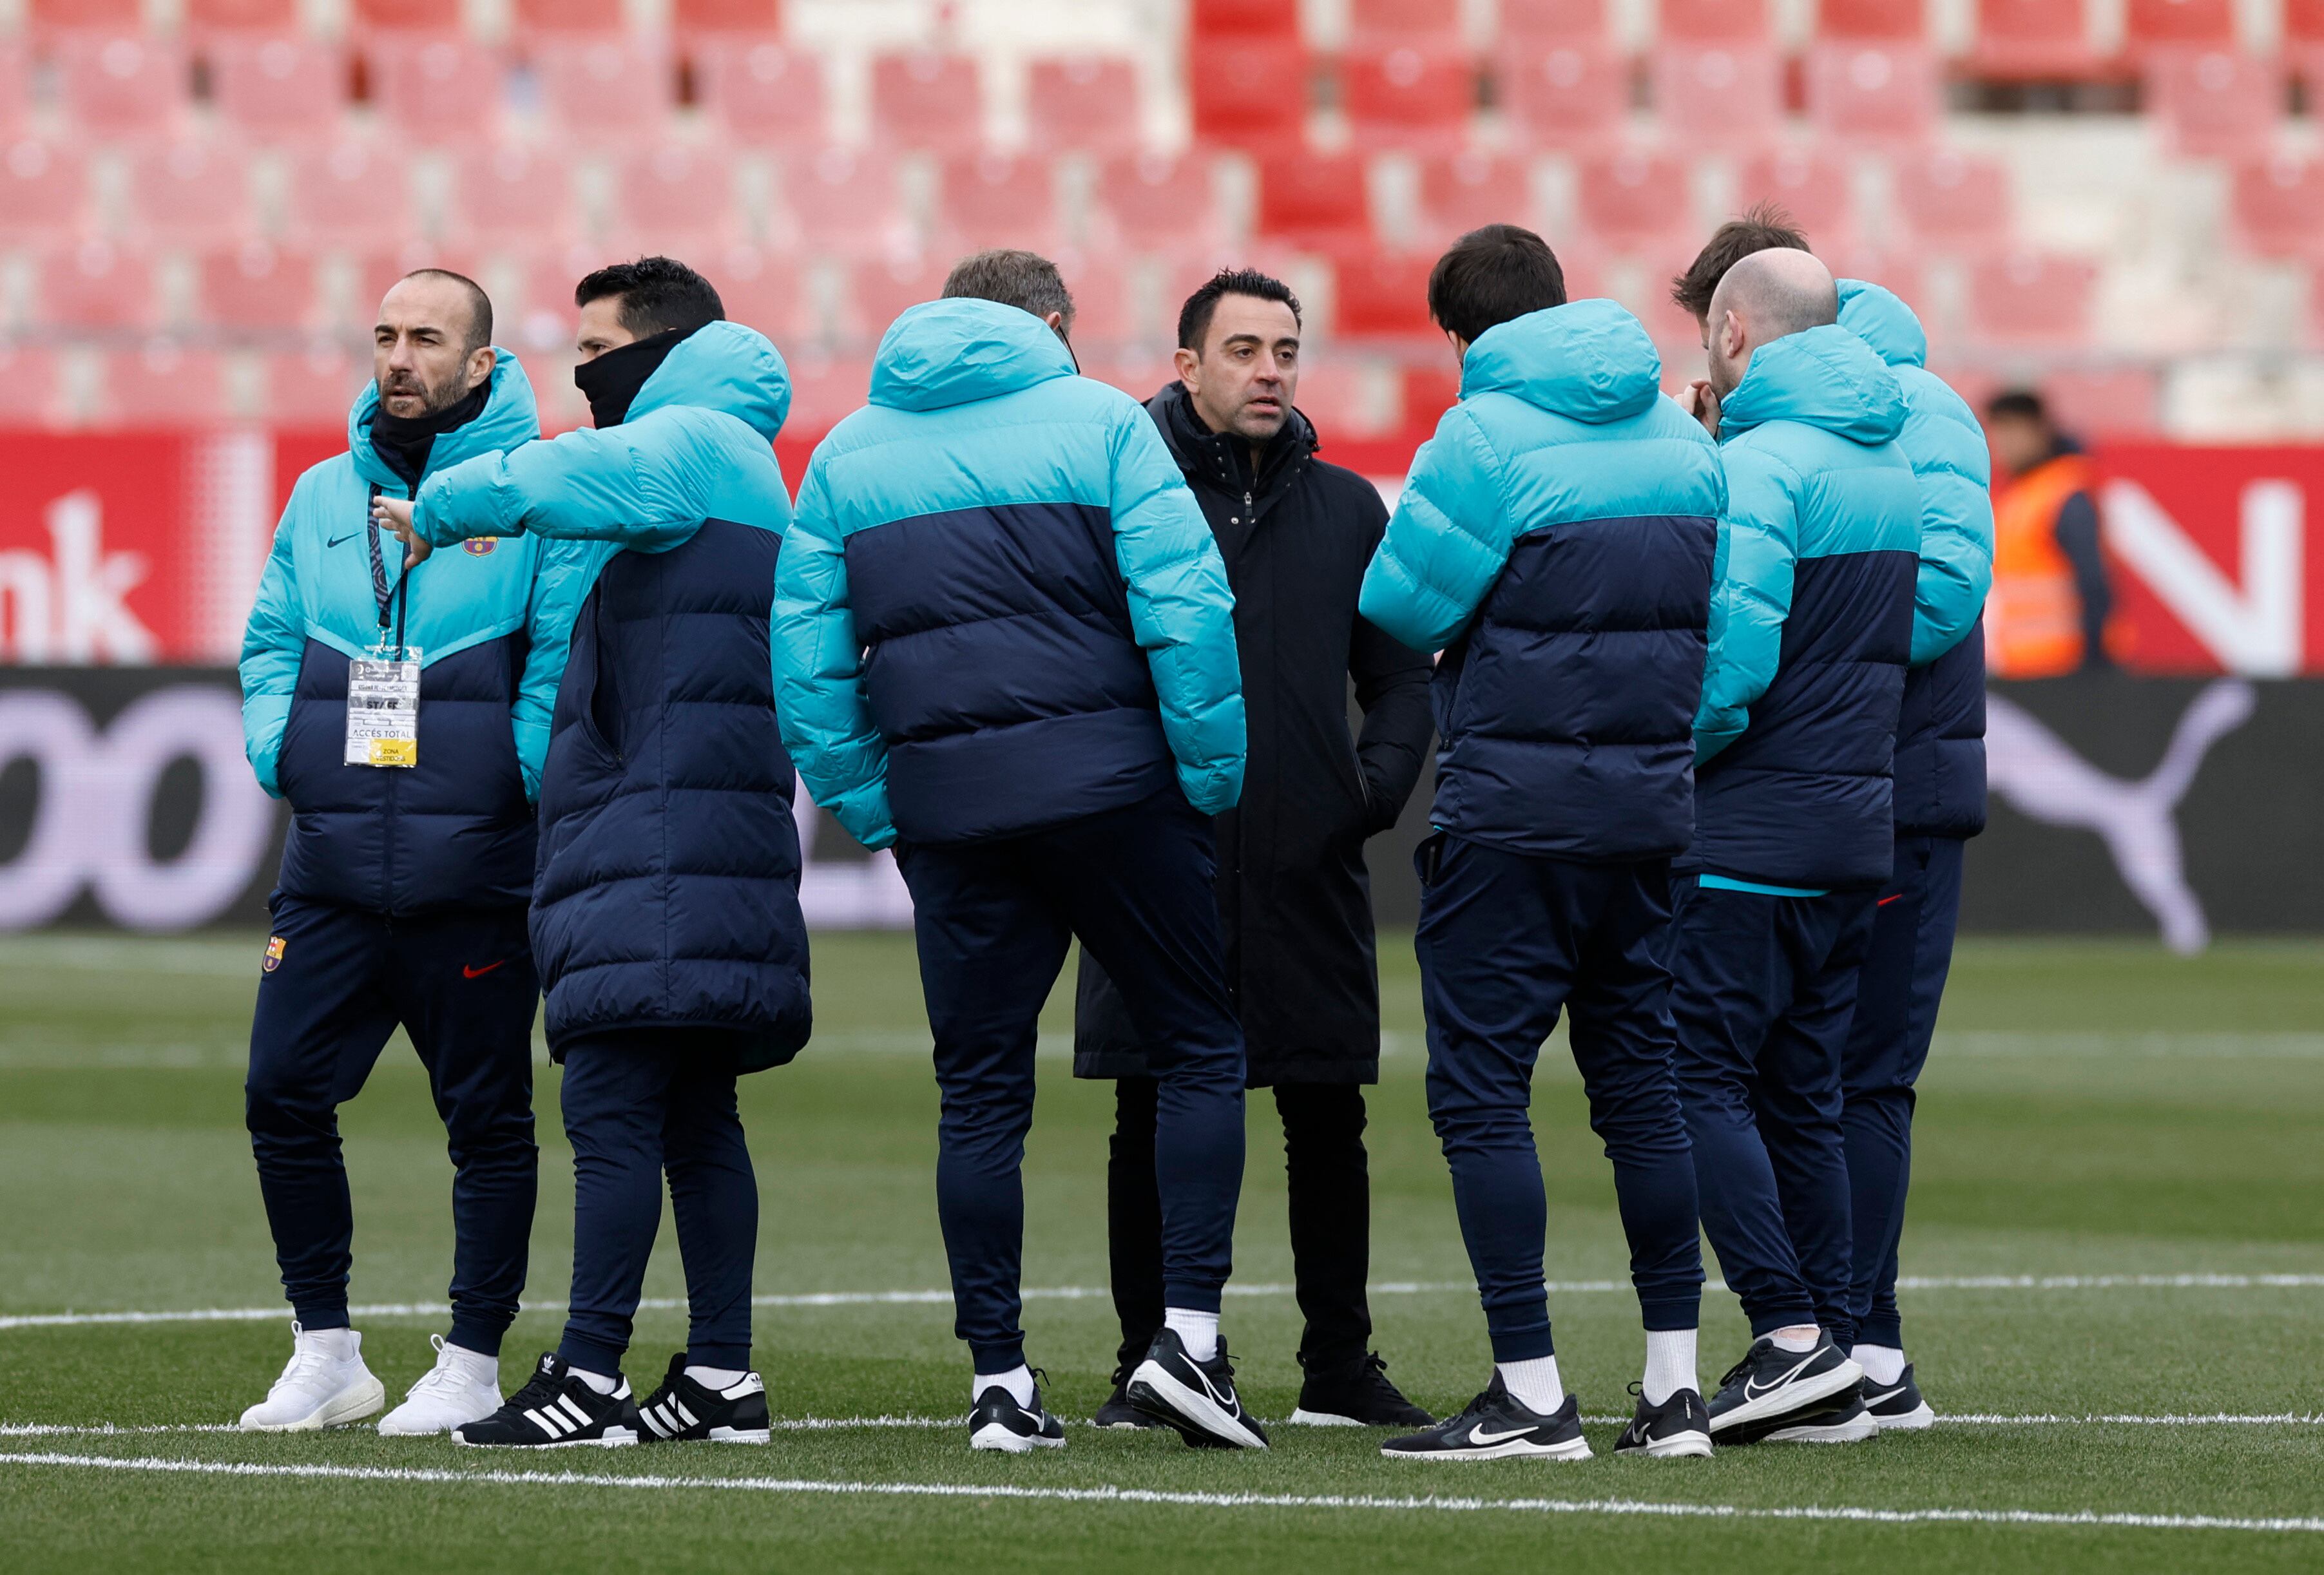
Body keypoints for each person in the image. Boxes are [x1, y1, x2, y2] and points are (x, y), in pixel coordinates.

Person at [772, 250, 1262, 1453]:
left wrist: (874, 805)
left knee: (979, 1098)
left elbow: (806, 662)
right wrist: (1207, 777)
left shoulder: (848, 453)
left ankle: (999, 1378)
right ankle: (1189, 1346)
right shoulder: (1100, 422)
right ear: (1051, 322)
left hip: (952, 812)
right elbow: (1185, 606)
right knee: (1198, 1048)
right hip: (1114, 798)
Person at [378, 256, 810, 1449]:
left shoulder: (689, 445)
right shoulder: (740, 462)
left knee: (615, 1102)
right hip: (700, 834)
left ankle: (589, 1372)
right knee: (695, 1115)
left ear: (658, 356)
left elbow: (574, 470)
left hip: (660, 839)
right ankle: (720, 1372)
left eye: (591, 349)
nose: (575, 375)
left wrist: (442, 510)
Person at [1356, 225, 1724, 1463]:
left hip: (1515, 814)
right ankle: (1674, 1395)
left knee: (1479, 1096)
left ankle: (1529, 1395)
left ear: (1460, 338)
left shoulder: (1481, 437)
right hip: (1653, 815)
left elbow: (1400, 609)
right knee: (1642, 1092)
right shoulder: (1684, 439)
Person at [1073, 269, 1436, 1432]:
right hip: (1155, 860)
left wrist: (1366, 794)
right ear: (1185, 367)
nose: (1270, 370)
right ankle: (1154, 1358)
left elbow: (1400, 679)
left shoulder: (1347, 511)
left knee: (1328, 1114)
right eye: (1242, 350)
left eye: (1285, 349)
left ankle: (1338, 1365)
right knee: (1147, 1109)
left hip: (1308, 863)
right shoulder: (1124, 499)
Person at [235, 271, 581, 1436]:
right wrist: (281, 751)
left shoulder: (535, 497)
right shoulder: (321, 494)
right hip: (331, 866)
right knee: (280, 1093)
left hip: (475, 872)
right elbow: (273, 636)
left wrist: (519, 777)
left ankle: (473, 1360)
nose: (399, 356)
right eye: (385, 335)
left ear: (481, 365)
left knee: (485, 1123)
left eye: (427, 338)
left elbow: (556, 662)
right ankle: (325, 1351)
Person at [1675, 218, 1996, 1432]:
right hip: (1853, 778)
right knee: (1805, 1078)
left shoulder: (1910, 409)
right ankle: (1849, 1344)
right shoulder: (1808, 427)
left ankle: (1857, 1341)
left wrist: (1801, 641)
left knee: (1852, 1079)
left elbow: (1937, 596)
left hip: (1878, 782)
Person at [1983, 389, 2113, 676]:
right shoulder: (2020, 496)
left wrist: (2093, 666)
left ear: (2042, 430)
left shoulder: (2064, 493)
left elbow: (2094, 584)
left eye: (2014, 429)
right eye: (1999, 431)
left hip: (2065, 670)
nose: (2005, 443)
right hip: (2024, 668)